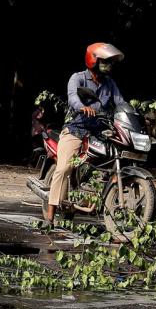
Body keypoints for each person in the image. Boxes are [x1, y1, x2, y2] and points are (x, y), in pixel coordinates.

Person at [45, 42, 129, 226]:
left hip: (99, 131)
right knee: (64, 167)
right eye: (105, 61)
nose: (109, 65)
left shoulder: (110, 83)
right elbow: (73, 97)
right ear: (93, 60)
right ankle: (49, 215)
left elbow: (120, 102)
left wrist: (133, 114)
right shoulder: (78, 78)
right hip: (76, 129)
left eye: (110, 62)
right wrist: (82, 107)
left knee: (113, 158)